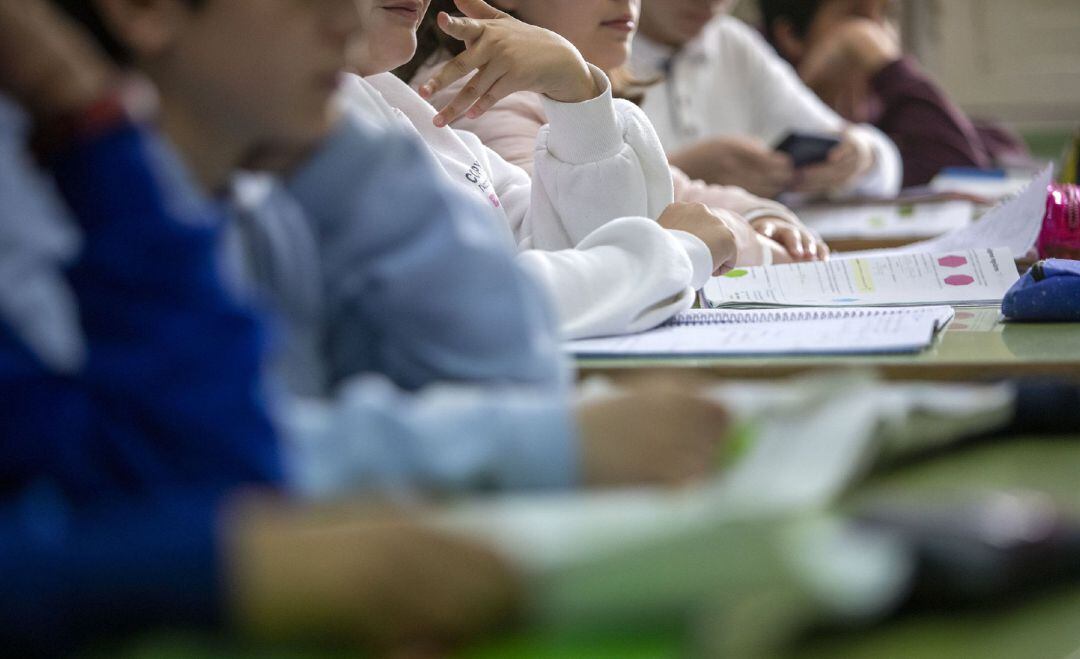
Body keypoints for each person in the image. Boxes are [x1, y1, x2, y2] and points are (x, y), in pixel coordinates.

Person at [49, 0, 732, 499]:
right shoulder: (72, 207)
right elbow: (202, 466)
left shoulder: (285, 167)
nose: (344, 20)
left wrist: (581, 92)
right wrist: (667, 255)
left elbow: (509, 361)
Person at [0, 3, 519, 653]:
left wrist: (91, 122)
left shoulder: (248, 199)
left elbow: (228, 480)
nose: (349, 23)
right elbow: (209, 500)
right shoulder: (39, 208)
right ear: (145, 10)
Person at [406, 0, 830, 263]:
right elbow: (601, 242)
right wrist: (747, 240)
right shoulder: (477, 98)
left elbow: (672, 193)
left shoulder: (550, 94)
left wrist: (763, 216)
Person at [623, 0, 901, 199]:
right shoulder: (594, 50)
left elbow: (882, 162)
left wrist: (861, 155)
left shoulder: (732, 42)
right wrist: (680, 173)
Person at [758, 0, 1031, 188]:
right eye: (855, 16)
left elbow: (975, 168)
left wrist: (887, 67)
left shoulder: (894, 112)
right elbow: (957, 168)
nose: (878, 35)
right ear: (791, 35)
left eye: (888, 13)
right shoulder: (761, 115)